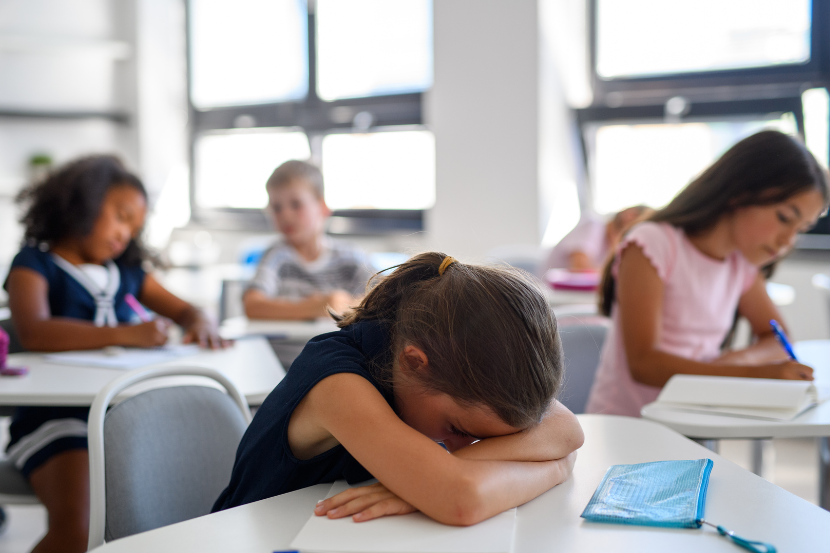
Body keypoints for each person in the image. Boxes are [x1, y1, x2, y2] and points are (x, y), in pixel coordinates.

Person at [213, 252, 584, 526]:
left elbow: (567, 430)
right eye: (457, 429)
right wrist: (556, 467)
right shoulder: (337, 384)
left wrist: (437, 478)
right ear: (414, 362)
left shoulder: (430, 358)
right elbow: (461, 501)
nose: (469, 447)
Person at [3, 155, 226, 553]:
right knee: (80, 528)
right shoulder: (33, 263)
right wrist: (128, 334)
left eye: (134, 228)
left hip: (125, 420)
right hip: (56, 421)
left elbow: (188, 311)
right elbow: (34, 331)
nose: (125, 235)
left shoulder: (128, 272)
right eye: (121, 217)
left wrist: (202, 321)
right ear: (83, 202)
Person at [586, 130, 829, 417]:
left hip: (696, 420)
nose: (788, 240)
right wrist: (753, 373)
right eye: (784, 218)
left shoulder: (740, 263)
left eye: (800, 229)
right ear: (741, 192)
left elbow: (777, 337)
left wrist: (735, 361)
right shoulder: (654, 243)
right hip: (629, 424)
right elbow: (644, 365)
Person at [243, 160, 373, 321]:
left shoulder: (351, 257)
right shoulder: (276, 256)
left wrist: (345, 305)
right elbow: (252, 305)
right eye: (276, 208)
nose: (285, 215)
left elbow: (386, 300)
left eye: (296, 204)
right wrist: (315, 307)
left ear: (322, 208)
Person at [543, 206, 651, 273]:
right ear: (630, 216)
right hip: (548, 298)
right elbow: (579, 268)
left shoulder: (611, 245)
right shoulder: (594, 225)